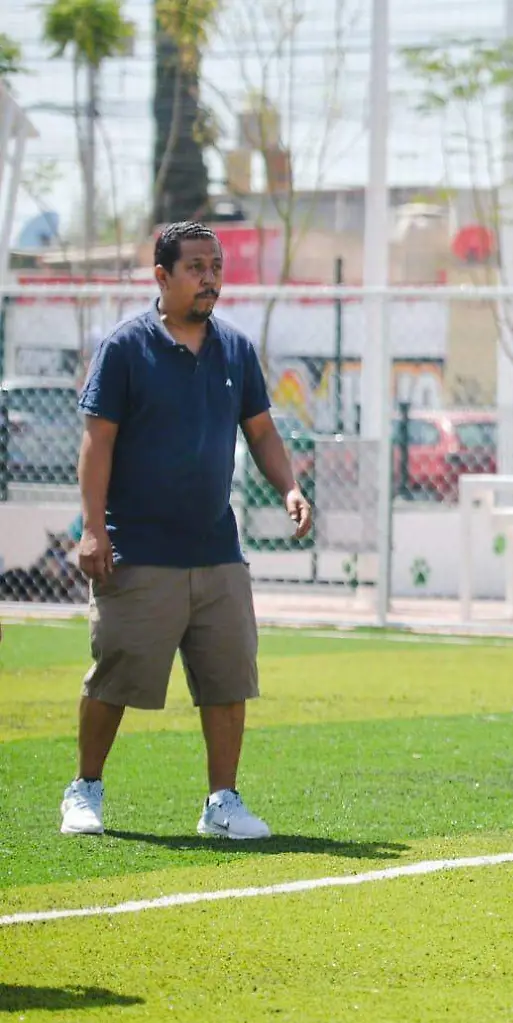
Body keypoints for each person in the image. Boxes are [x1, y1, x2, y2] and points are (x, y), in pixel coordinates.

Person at [59, 222, 313, 840]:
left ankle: (221, 802)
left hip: (217, 551)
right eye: (196, 267)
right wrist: (94, 530)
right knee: (115, 675)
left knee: (228, 678)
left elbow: (261, 433)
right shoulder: (125, 348)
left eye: (215, 266)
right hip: (138, 550)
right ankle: (85, 788)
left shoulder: (235, 349)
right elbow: (97, 443)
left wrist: (290, 487)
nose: (209, 278)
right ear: (162, 277)